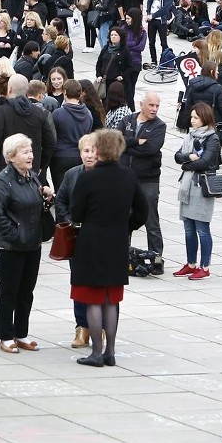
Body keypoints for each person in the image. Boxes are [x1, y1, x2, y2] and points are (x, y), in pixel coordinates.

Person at [70, 129, 148, 367]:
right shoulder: (128, 176)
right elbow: (143, 211)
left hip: (91, 241)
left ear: (100, 149)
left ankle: (96, 352)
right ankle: (110, 351)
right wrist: (126, 227)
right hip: (117, 241)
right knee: (111, 299)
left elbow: (76, 213)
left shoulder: (87, 178)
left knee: (93, 299)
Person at [0, 134, 52, 354]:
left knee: (27, 291)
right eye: (25, 152)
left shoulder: (32, 176)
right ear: (11, 156)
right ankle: (6, 335)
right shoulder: (3, 180)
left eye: (30, 150)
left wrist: (46, 196)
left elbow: (35, 203)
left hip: (33, 243)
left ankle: (21, 332)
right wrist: (15, 234)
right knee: (9, 291)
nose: (30, 155)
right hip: (11, 246)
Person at [55, 133, 98, 347]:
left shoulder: (106, 175)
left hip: (99, 239)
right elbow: (61, 200)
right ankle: (82, 327)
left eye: (93, 151)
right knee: (78, 282)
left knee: (99, 284)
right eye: (86, 151)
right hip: (78, 238)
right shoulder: (72, 174)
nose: (89, 156)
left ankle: (100, 327)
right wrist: (68, 221)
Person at [115, 91, 166, 271]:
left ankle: (157, 260)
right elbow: (116, 141)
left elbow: (151, 149)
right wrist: (137, 141)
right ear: (141, 104)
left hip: (148, 180)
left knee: (151, 220)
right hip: (126, 179)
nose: (154, 109)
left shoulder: (159, 126)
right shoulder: (128, 120)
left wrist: (128, 147)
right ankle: (123, 257)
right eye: (151, 105)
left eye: (157, 106)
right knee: (124, 219)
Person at [172, 102, 222, 280]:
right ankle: (191, 263)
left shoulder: (212, 138)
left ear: (204, 118)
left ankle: (205, 266)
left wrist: (186, 164)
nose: (192, 120)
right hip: (187, 186)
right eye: (191, 117)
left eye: (195, 117)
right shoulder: (190, 136)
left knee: (202, 228)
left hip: (202, 187)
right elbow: (177, 156)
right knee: (188, 229)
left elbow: (205, 161)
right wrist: (189, 158)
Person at [0, 74, 56, 182]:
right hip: (31, 169)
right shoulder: (38, 112)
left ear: (9, 89)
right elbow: (50, 142)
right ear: (27, 90)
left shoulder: (1, 112)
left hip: (5, 170)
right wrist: (41, 164)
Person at [50, 80, 92, 193]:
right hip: (79, 156)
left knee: (60, 191)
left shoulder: (57, 114)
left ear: (65, 92)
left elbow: (51, 136)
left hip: (60, 157)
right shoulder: (88, 114)